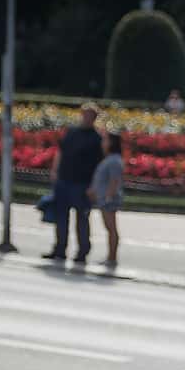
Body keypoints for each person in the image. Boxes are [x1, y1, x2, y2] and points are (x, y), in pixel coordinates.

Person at [46, 105, 102, 262]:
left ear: (94, 118)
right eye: (84, 114)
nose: (85, 118)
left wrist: (93, 186)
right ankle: (60, 249)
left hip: (82, 183)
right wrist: (55, 171)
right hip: (64, 180)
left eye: (89, 115)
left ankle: (82, 252)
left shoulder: (96, 138)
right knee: (61, 217)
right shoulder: (72, 132)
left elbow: (99, 165)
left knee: (82, 220)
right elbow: (61, 151)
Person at [88, 132, 125, 267]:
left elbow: (115, 180)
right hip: (104, 198)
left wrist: (108, 196)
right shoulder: (110, 158)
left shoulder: (114, 160)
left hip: (108, 200)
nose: (102, 143)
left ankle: (112, 258)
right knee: (109, 229)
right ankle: (110, 257)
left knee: (111, 229)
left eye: (105, 140)